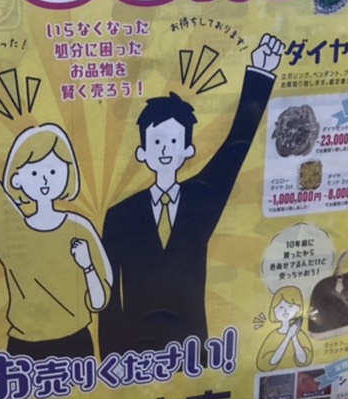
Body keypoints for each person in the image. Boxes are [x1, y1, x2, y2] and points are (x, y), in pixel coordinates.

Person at [97, 33, 283, 356]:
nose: (165, 150)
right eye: (156, 142)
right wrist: (113, 358)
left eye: (173, 142)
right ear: (142, 151)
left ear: (188, 149)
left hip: (193, 347)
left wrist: (260, 73)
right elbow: (109, 294)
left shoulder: (200, 199)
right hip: (135, 352)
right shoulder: (120, 215)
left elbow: (235, 148)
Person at [0, 91, 111, 358]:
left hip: (76, 342)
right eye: (34, 171)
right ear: (17, 179)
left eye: (53, 170)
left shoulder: (79, 229)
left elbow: (99, 302)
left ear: (68, 173)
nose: (45, 179)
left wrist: (87, 265)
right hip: (25, 347)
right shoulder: (13, 231)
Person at [257, 287, 313, 371]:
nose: (286, 311)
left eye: (290, 306)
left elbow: (304, 360)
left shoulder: (300, 334)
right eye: (281, 307)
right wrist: (288, 336)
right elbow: (268, 363)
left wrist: (294, 336)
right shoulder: (273, 336)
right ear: (273, 310)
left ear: (298, 308)